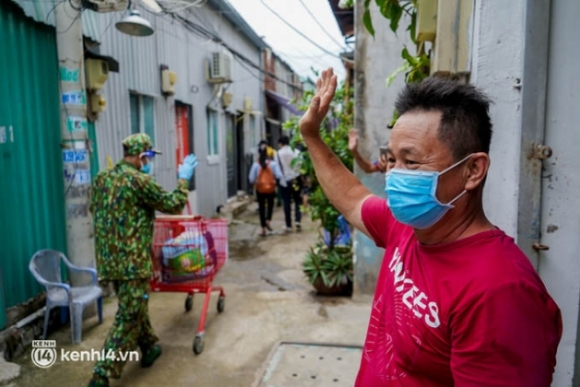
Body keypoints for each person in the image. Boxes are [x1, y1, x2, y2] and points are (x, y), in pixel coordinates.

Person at [299, 69, 562, 386]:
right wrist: (312, 137)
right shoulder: (407, 226)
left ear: (472, 170)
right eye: (393, 160)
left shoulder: (501, 291)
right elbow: (353, 199)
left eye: (411, 162)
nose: (394, 175)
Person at [88, 133, 198, 387]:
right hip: (132, 262)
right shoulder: (139, 181)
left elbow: (97, 210)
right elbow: (174, 204)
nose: (149, 162)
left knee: (134, 304)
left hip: (108, 261)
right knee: (128, 314)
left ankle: (148, 347)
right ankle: (101, 374)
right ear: (141, 156)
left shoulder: (101, 178)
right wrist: (183, 179)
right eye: (149, 157)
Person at [249, 146, 283, 236]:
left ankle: (263, 228)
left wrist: (257, 181)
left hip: (260, 189)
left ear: (259, 153)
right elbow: (279, 175)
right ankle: (268, 220)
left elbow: (251, 178)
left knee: (261, 207)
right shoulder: (272, 164)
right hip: (271, 188)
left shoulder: (256, 164)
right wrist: (274, 180)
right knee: (270, 205)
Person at [276, 135, 302, 232]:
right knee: (297, 200)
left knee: (286, 202)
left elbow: (277, 169)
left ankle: (288, 225)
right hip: (296, 178)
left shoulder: (278, 153)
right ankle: (297, 220)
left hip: (285, 180)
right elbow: (300, 165)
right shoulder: (297, 152)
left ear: (281, 143)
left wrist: (281, 179)